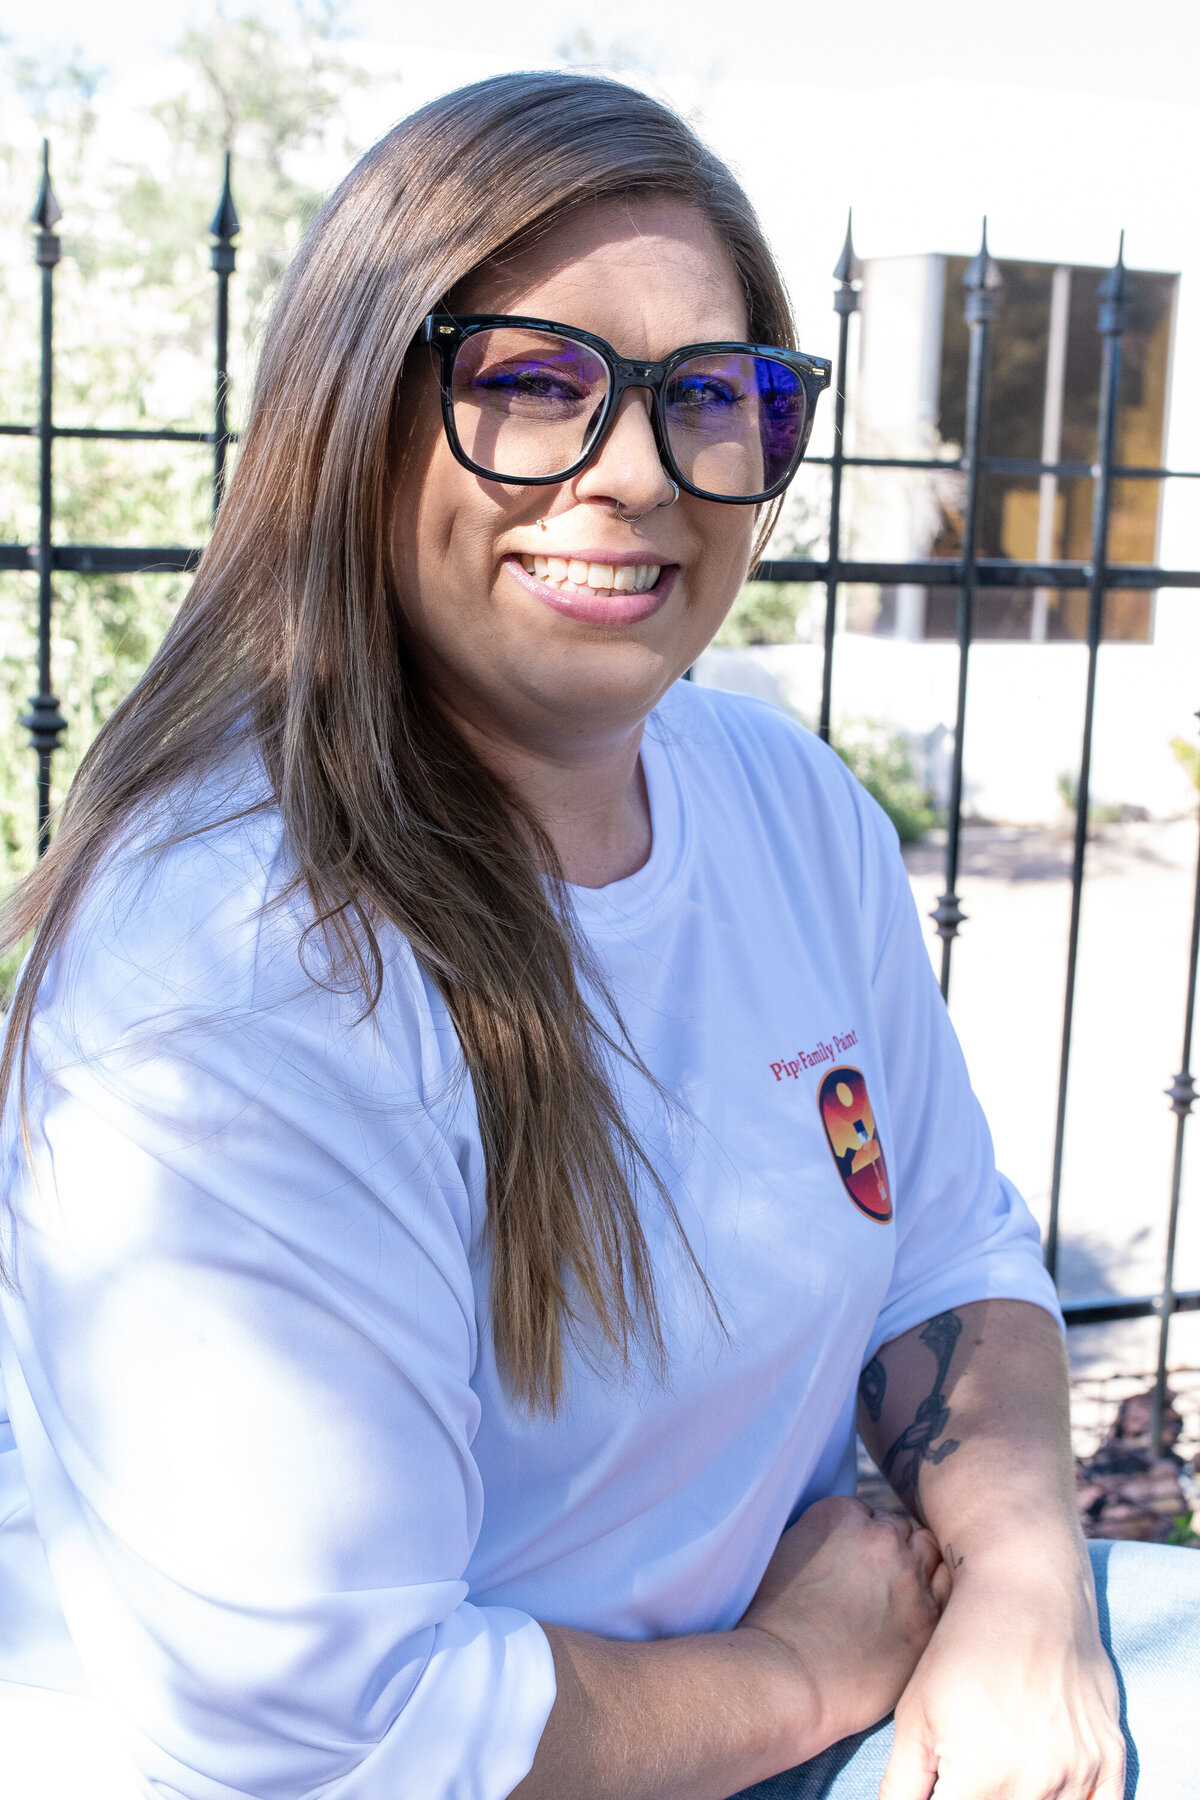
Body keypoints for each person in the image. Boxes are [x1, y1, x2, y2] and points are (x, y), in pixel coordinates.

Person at [0, 70, 1195, 1800]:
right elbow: (339, 1730)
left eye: (711, 395)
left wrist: (1020, 1585)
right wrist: (794, 1672)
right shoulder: (235, 969)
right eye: (535, 383)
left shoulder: (789, 812)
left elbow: (949, 1258)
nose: (636, 473)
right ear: (354, 418)